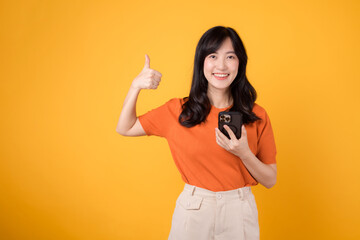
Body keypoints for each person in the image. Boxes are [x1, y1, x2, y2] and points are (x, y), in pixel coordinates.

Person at [116, 26, 277, 240]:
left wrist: (244, 152)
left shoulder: (256, 115)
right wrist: (135, 86)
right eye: (213, 56)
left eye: (230, 56)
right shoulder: (178, 111)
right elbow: (124, 127)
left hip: (239, 211)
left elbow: (270, 179)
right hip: (194, 210)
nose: (221, 65)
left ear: (240, 62)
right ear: (201, 62)